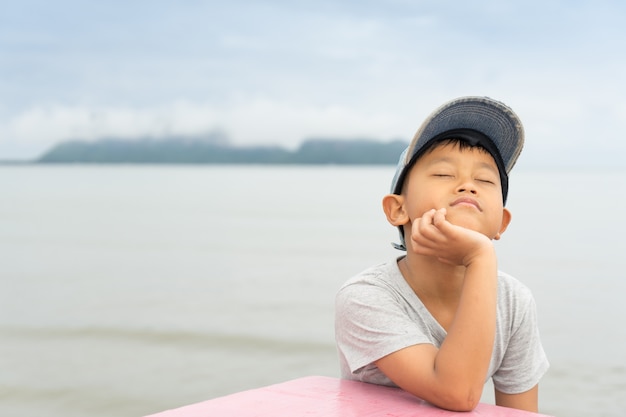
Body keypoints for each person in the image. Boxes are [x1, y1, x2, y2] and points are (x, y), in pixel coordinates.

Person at [334, 96, 549, 413]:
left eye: (485, 179)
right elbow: (456, 393)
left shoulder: (514, 301)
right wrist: (481, 257)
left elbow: (519, 412)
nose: (467, 186)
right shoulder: (366, 297)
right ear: (398, 209)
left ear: (501, 222)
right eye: (444, 174)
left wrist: (480, 258)